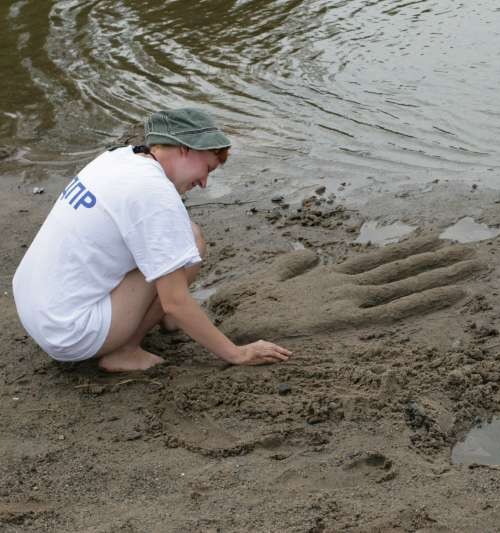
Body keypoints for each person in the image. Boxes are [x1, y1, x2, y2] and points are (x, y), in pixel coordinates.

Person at [13, 108, 291, 372]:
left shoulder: (119, 157)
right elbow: (175, 300)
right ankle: (124, 351)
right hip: (70, 332)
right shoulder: (154, 192)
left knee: (185, 234)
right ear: (185, 149)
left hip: (35, 305)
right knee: (188, 246)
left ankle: (160, 322)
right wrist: (238, 354)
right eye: (207, 168)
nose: (204, 183)